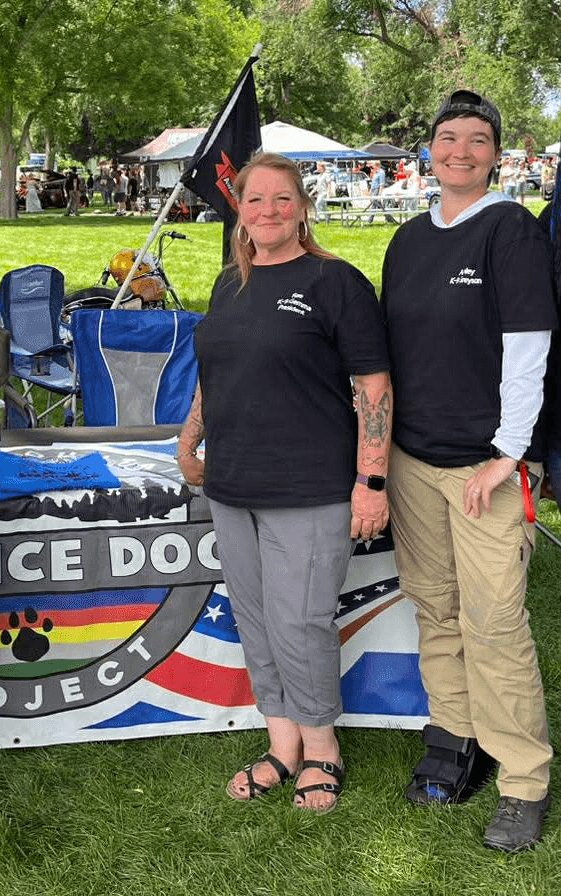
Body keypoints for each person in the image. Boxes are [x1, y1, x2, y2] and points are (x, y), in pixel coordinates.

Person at [178, 152, 391, 814]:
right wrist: (189, 440)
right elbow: (215, 374)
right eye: (254, 199)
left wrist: (371, 480)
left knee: (300, 622)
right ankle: (281, 744)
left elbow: (373, 386)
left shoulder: (335, 283)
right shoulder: (227, 284)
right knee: (257, 620)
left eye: (282, 199)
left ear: (303, 206)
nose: (267, 210)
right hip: (233, 482)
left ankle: (323, 749)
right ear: (238, 209)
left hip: (310, 484)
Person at [381, 89, 555, 852]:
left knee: (494, 623)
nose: (460, 150)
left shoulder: (510, 230)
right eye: (446, 136)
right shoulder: (408, 240)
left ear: (495, 152)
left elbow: (528, 352)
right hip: (413, 459)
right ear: (428, 149)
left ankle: (523, 779)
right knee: (436, 609)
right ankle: (456, 743)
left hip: (484, 467)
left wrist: (506, 455)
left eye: (476, 139)